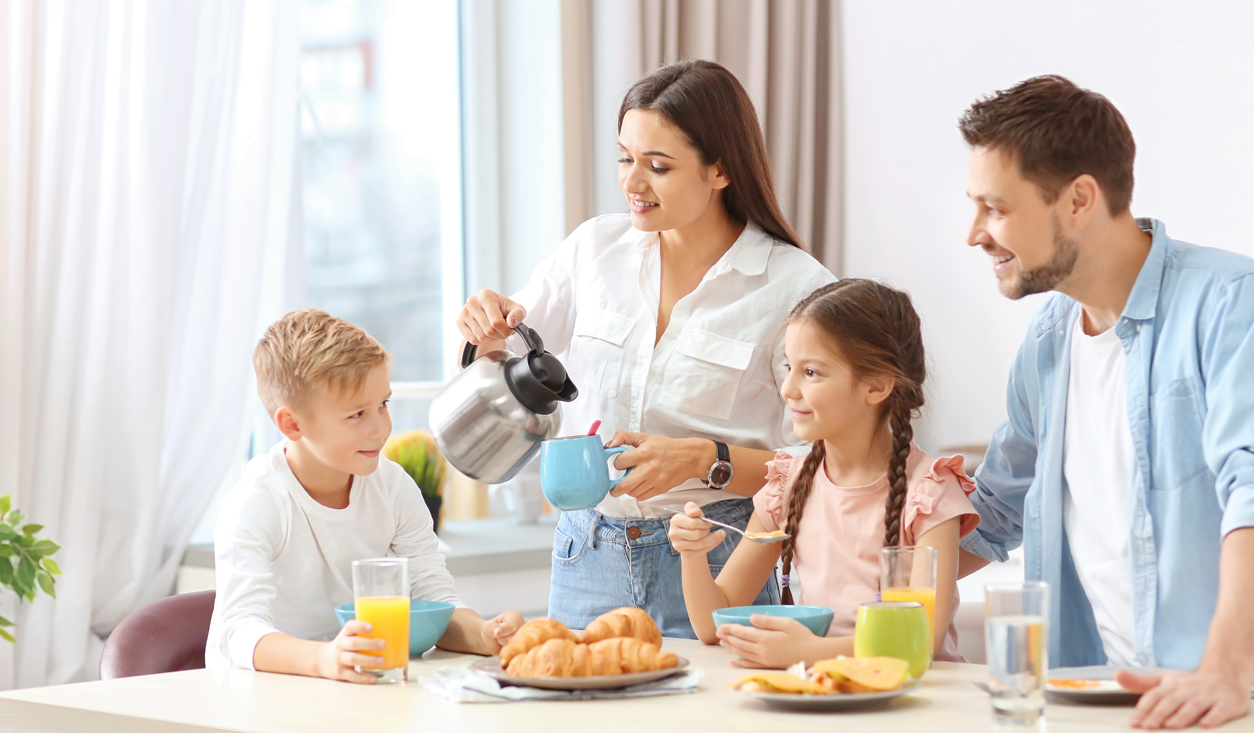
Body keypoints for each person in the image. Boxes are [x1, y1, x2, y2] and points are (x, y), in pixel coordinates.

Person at [456, 60, 835, 638]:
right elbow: (504, 361)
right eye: (625, 159)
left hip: (715, 556)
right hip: (587, 552)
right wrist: (484, 333)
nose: (633, 183)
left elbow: (825, 464)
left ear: (721, 169)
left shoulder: (794, 287)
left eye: (658, 166)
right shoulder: (594, 249)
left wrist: (705, 459)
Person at [958, 75, 1254, 729]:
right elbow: (993, 510)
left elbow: (1250, 487)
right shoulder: (1047, 340)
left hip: (1225, 702)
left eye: (994, 207)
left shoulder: (1230, 303)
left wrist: (1228, 668)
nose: (972, 232)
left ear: (1078, 199)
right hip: (1093, 701)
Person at [669, 279, 978, 667]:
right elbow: (712, 624)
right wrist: (692, 556)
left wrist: (810, 652)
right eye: (788, 367)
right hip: (829, 696)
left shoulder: (928, 493)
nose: (788, 389)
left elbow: (921, 639)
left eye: (811, 372)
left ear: (878, 385)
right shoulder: (789, 485)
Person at [205, 309, 524, 683]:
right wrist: (323, 659)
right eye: (357, 414)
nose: (381, 428)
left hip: (354, 687)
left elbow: (435, 599)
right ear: (292, 424)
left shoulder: (392, 486)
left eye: (383, 404)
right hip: (260, 697)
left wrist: (487, 636)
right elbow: (240, 631)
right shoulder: (256, 503)